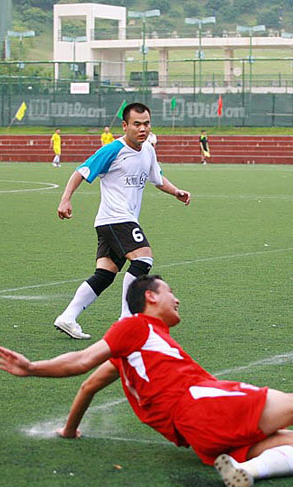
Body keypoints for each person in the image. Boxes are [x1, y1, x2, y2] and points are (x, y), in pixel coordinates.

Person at [0, 275, 293, 487]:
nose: (177, 297)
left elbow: (90, 385)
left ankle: (247, 471)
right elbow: (84, 361)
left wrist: (70, 429)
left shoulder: (141, 354)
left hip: (202, 438)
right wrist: (34, 368)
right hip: (201, 407)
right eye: (170, 292)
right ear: (150, 297)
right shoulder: (133, 327)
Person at [52, 103, 191, 340]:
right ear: (125, 126)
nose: (142, 129)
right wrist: (65, 199)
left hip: (113, 222)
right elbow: (81, 172)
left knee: (105, 274)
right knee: (143, 258)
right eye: (136, 124)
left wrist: (176, 191)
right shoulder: (113, 149)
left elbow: (156, 178)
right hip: (116, 219)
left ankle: (67, 317)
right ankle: (127, 318)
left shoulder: (148, 150)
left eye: (146, 124)